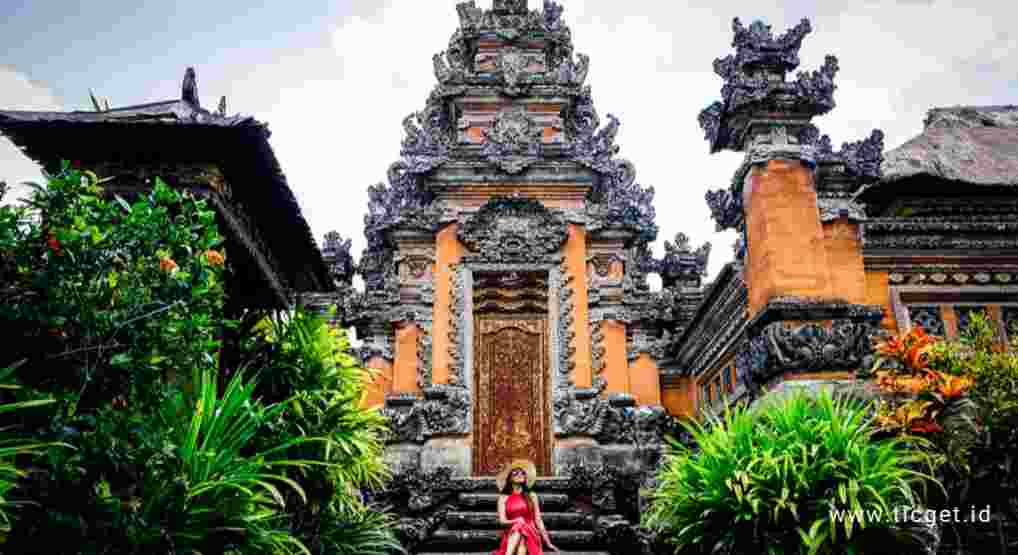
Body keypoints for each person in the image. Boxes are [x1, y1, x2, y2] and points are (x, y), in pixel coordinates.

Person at [492, 459, 560, 555]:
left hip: (530, 532)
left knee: (521, 530)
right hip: (511, 533)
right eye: (516, 473)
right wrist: (516, 521)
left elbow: (538, 520)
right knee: (519, 531)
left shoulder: (532, 495)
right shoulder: (503, 498)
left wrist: (548, 543)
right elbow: (502, 521)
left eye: (523, 473)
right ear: (510, 478)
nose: (520, 475)